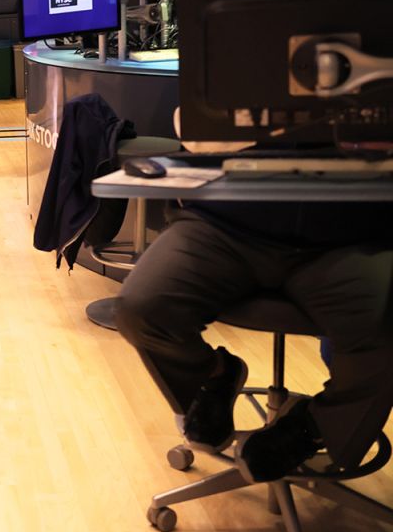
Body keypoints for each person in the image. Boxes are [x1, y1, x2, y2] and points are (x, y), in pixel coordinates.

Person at [116, 200, 393, 483]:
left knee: (384, 338)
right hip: (224, 225)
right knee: (142, 308)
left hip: (349, 239)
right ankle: (216, 375)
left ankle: (313, 427)